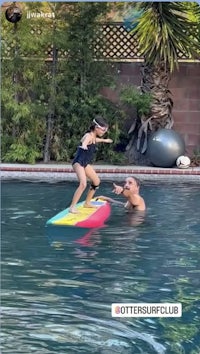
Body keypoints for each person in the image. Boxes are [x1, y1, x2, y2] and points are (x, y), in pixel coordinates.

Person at [69, 116, 113, 213]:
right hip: (78, 162)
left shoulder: (93, 137)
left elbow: (96, 140)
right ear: (96, 128)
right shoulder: (88, 136)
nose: (104, 132)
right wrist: (84, 145)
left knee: (96, 181)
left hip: (85, 163)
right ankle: (72, 207)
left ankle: (87, 202)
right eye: (103, 130)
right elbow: (85, 141)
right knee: (83, 184)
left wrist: (105, 140)